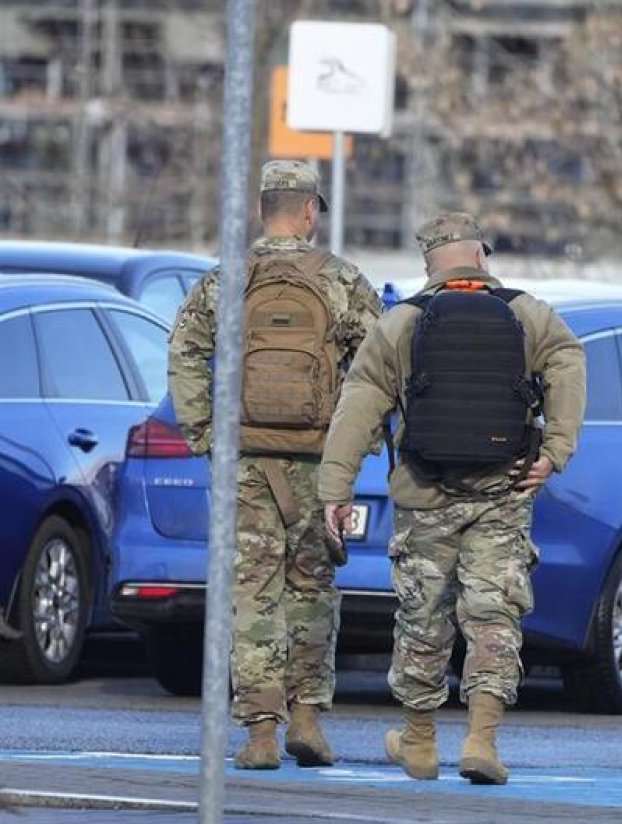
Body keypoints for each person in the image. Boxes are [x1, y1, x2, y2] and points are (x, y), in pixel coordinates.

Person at [318, 212, 585, 785]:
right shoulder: (526, 314)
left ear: (428, 264)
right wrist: (556, 450)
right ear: (481, 255)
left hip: (424, 491)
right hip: (504, 491)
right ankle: (482, 741)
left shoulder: (402, 323)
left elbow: (359, 406)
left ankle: (418, 742)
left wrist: (335, 490)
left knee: (422, 615)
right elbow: (569, 362)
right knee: (494, 615)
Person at [169, 159, 381, 770]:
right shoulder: (342, 281)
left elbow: (185, 353)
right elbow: (379, 368)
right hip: (319, 464)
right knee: (313, 587)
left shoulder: (226, 281)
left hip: (247, 462)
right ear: (311, 209)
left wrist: (207, 434)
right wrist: (357, 445)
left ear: (264, 209)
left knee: (253, 594)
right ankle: (307, 718)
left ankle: (260, 733)